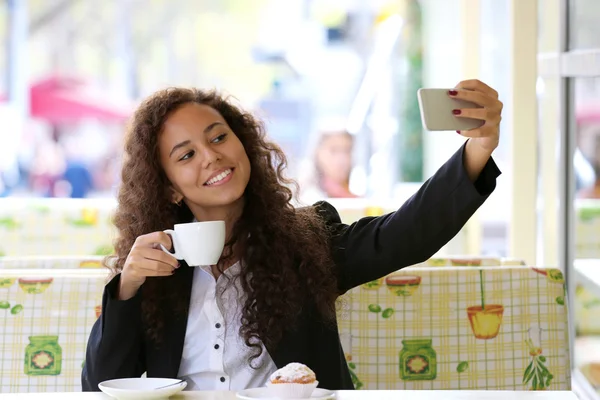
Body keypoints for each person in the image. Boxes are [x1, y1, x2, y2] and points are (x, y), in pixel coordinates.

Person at [82, 80, 503, 392]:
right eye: (187, 155)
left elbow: (404, 235)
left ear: (243, 143)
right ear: (169, 185)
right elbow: (100, 384)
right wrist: (128, 286)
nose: (211, 156)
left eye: (219, 137)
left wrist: (477, 149)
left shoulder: (305, 242)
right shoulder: (156, 269)